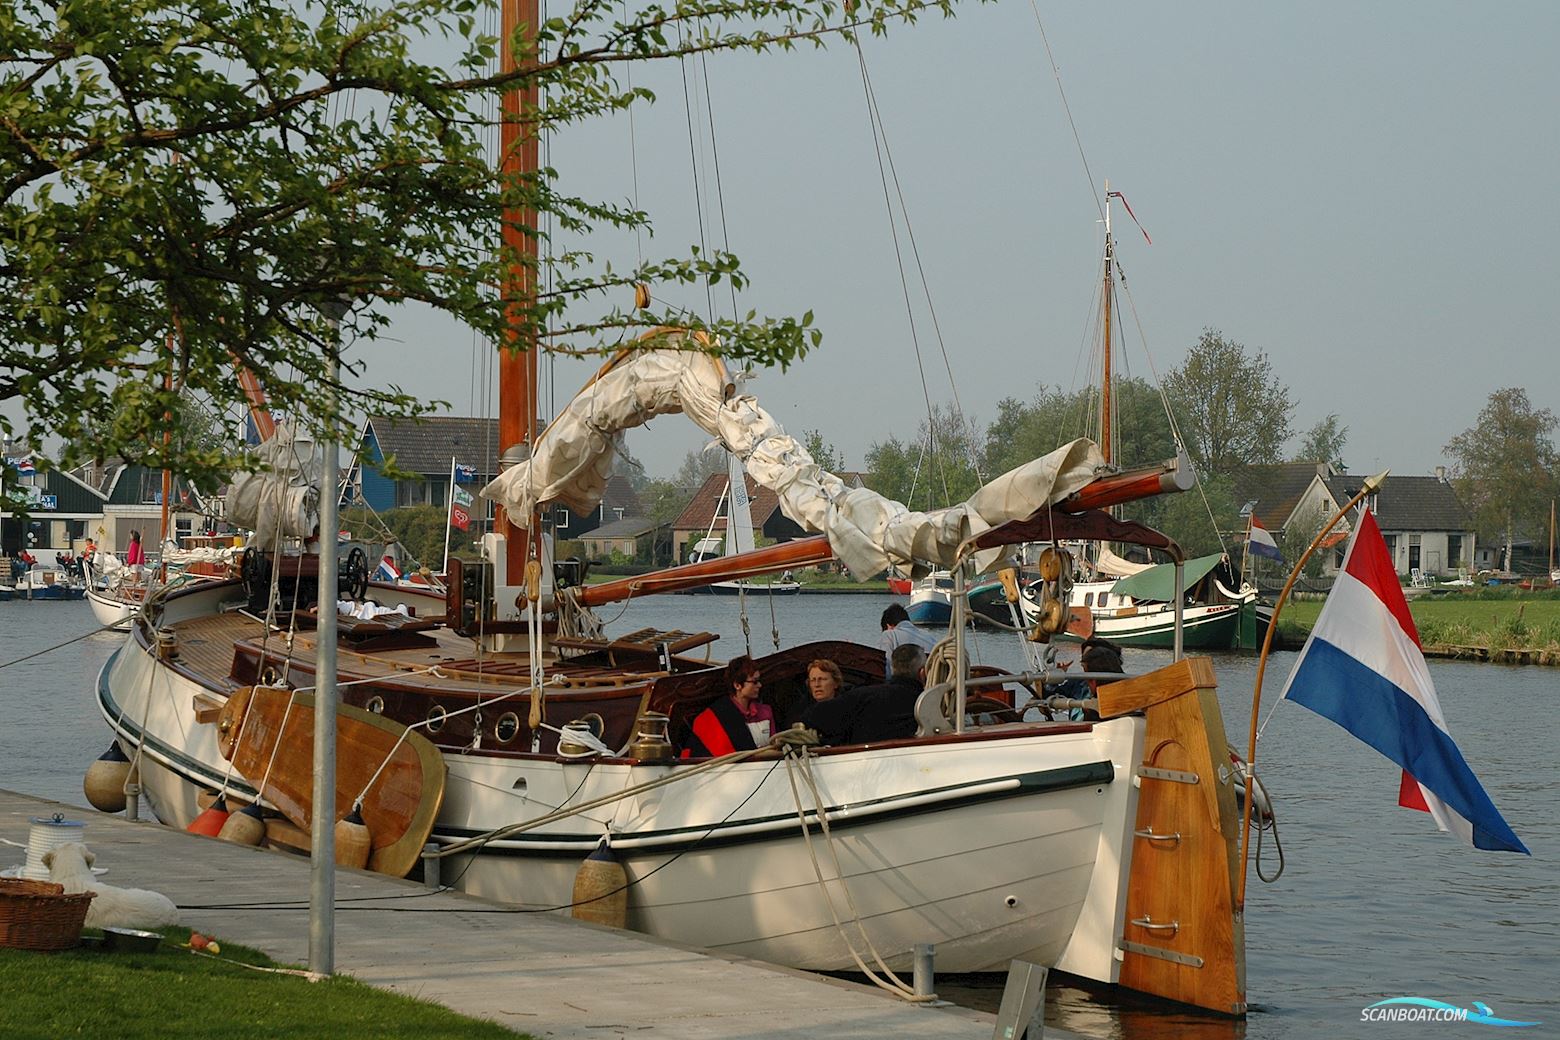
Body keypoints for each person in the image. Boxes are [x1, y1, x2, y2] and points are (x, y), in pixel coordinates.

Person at [804, 643, 926, 746]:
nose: (817, 684)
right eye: (813, 680)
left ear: (893, 668)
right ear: (922, 673)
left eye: (822, 679)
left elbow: (813, 717)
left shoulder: (862, 697)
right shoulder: (933, 703)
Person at [681, 655, 776, 758]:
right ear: (737, 685)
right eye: (754, 682)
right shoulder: (715, 717)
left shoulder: (766, 712)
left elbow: (775, 746)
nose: (760, 685)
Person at [878, 603, 938, 678]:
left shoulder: (889, 635)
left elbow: (887, 669)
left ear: (888, 625)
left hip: (904, 685)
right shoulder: (930, 637)